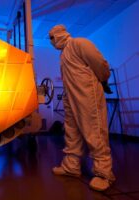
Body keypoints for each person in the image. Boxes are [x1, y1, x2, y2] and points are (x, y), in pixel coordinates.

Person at [48, 24, 115, 191]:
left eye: (52, 38)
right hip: (70, 96)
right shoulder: (63, 54)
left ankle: (104, 173)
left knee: (94, 129)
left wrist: (103, 79)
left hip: (87, 94)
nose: (51, 42)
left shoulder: (79, 43)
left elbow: (100, 65)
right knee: (72, 131)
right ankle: (72, 166)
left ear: (59, 34)